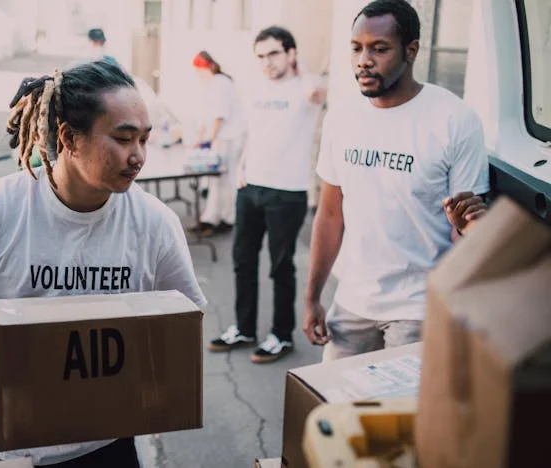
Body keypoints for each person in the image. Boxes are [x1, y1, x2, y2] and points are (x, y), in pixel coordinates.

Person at [0, 60, 206, 466]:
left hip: (108, 443)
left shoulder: (155, 224)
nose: (138, 156)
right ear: (68, 137)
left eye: (144, 139)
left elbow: (183, 323)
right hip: (10, 447)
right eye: (123, 139)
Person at [303, 0, 489, 360]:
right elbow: (330, 215)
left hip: (419, 309)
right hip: (352, 302)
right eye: (356, 48)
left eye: (379, 49)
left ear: (411, 51)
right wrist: (312, 297)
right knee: (335, 395)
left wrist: (469, 228)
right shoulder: (341, 119)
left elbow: (464, 229)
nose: (364, 61)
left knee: (401, 400)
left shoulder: (454, 120)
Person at [208, 26, 327, 363]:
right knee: (243, 261)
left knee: (280, 267)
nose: (266, 62)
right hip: (251, 187)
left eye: (273, 53)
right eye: (260, 56)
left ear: (291, 53)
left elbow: (317, 91)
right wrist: (242, 167)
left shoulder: (305, 88)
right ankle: (244, 329)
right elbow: (255, 133)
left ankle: (281, 336)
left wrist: (300, 68)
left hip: (287, 193)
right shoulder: (256, 89)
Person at [189, 51, 247, 236]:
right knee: (215, 180)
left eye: (200, 70)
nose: (198, 75)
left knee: (226, 179)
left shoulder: (221, 83)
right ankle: (211, 218)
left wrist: (210, 140)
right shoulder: (210, 85)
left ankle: (227, 218)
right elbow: (206, 116)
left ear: (207, 68)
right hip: (220, 138)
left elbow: (220, 115)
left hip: (229, 137)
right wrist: (200, 139)